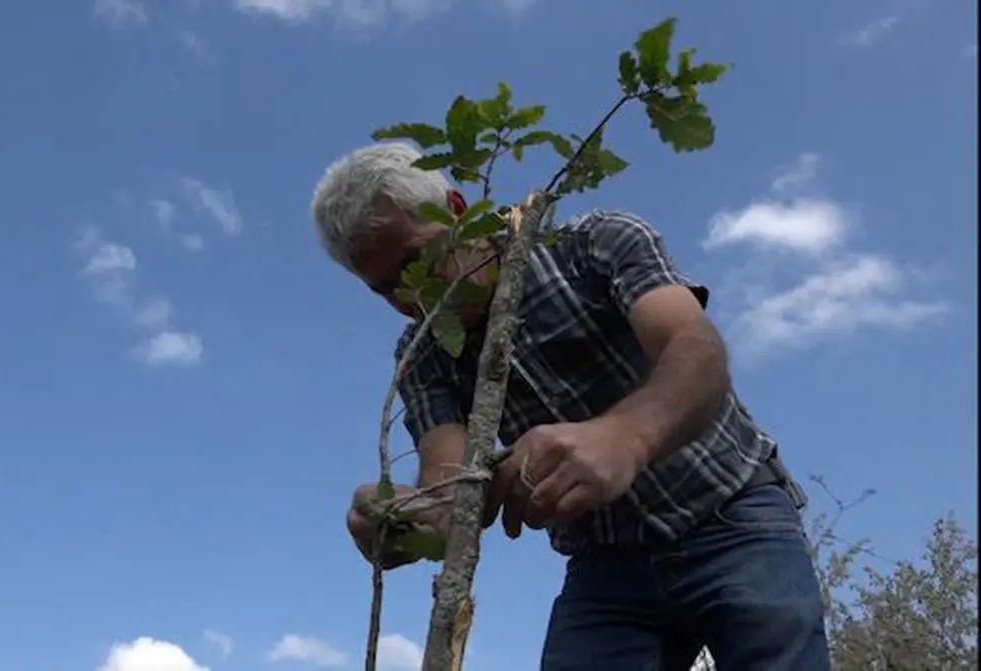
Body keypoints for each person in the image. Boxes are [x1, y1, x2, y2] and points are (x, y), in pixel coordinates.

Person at [311, 142, 832, 670]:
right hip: (607, 565)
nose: (411, 295)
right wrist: (404, 524)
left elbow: (695, 349)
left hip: (733, 512)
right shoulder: (422, 355)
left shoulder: (593, 244)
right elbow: (450, 488)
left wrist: (625, 437)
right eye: (385, 289)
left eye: (418, 260)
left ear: (457, 209)